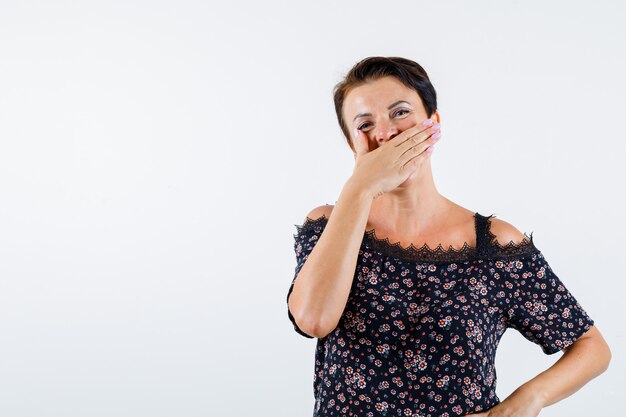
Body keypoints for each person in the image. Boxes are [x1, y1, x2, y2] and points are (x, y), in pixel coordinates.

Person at [286, 56, 611, 417]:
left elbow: (591, 346)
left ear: (433, 121)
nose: (386, 133)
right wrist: (359, 190)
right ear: (352, 147)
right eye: (365, 124)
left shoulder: (493, 245)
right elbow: (313, 320)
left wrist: (525, 401)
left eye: (400, 113)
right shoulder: (329, 225)